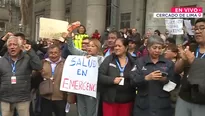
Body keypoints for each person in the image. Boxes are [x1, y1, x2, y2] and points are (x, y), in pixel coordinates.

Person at [130, 35, 176, 116]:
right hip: (143, 105)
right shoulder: (140, 62)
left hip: (162, 105)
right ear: (148, 48)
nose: (157, 50)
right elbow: (133, 81)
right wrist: (146, 78)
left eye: (160, 48)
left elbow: (175, 82)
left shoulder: (168, 63)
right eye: (154, 48)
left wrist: (165, 80)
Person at [63, 28, 104, 116]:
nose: (89, 48)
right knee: (81, 112)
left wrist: (93, 62)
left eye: (93, 46)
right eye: (88, 45)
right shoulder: (82, 55)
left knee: (92, 112)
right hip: (81, 90)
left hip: (93, 91)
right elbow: (72, 48)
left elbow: (101, 74)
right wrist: (69, 38)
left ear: (98, 48)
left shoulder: (101, 59)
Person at [0, 36, 42, 116]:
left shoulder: (27, 58)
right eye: (10, 45)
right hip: (5, 98)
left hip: (23, 98)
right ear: (7, 47)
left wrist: (30, 51)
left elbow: (38, 67)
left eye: (15, 45)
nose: (12, 47)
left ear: (20, 47)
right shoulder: (1, 61)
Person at [174, 18, 205, 116]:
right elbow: (177, 70)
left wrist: (193, 61)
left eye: (202, 28)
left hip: (202, 100)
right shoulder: (190, 47)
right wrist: (183, 60)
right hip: (184, 96)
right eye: (195, 29)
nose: (198, 31)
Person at [99, 38, 136, 116]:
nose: (116, 48)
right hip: (110, 100)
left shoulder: (133, 61)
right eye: (115, 46)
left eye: (119, 46)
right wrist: (112, 80)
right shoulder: (109, 59)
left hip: (127, 100)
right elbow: (99, 76)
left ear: (126, 48)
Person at [40, 44, 69, 116]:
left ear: (60, 52)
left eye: (55, 53)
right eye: (51, 53)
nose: (53, 55)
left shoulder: (66, 63)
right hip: (46, 96)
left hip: (60, 97)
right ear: (47, 53)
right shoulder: (43, 63)